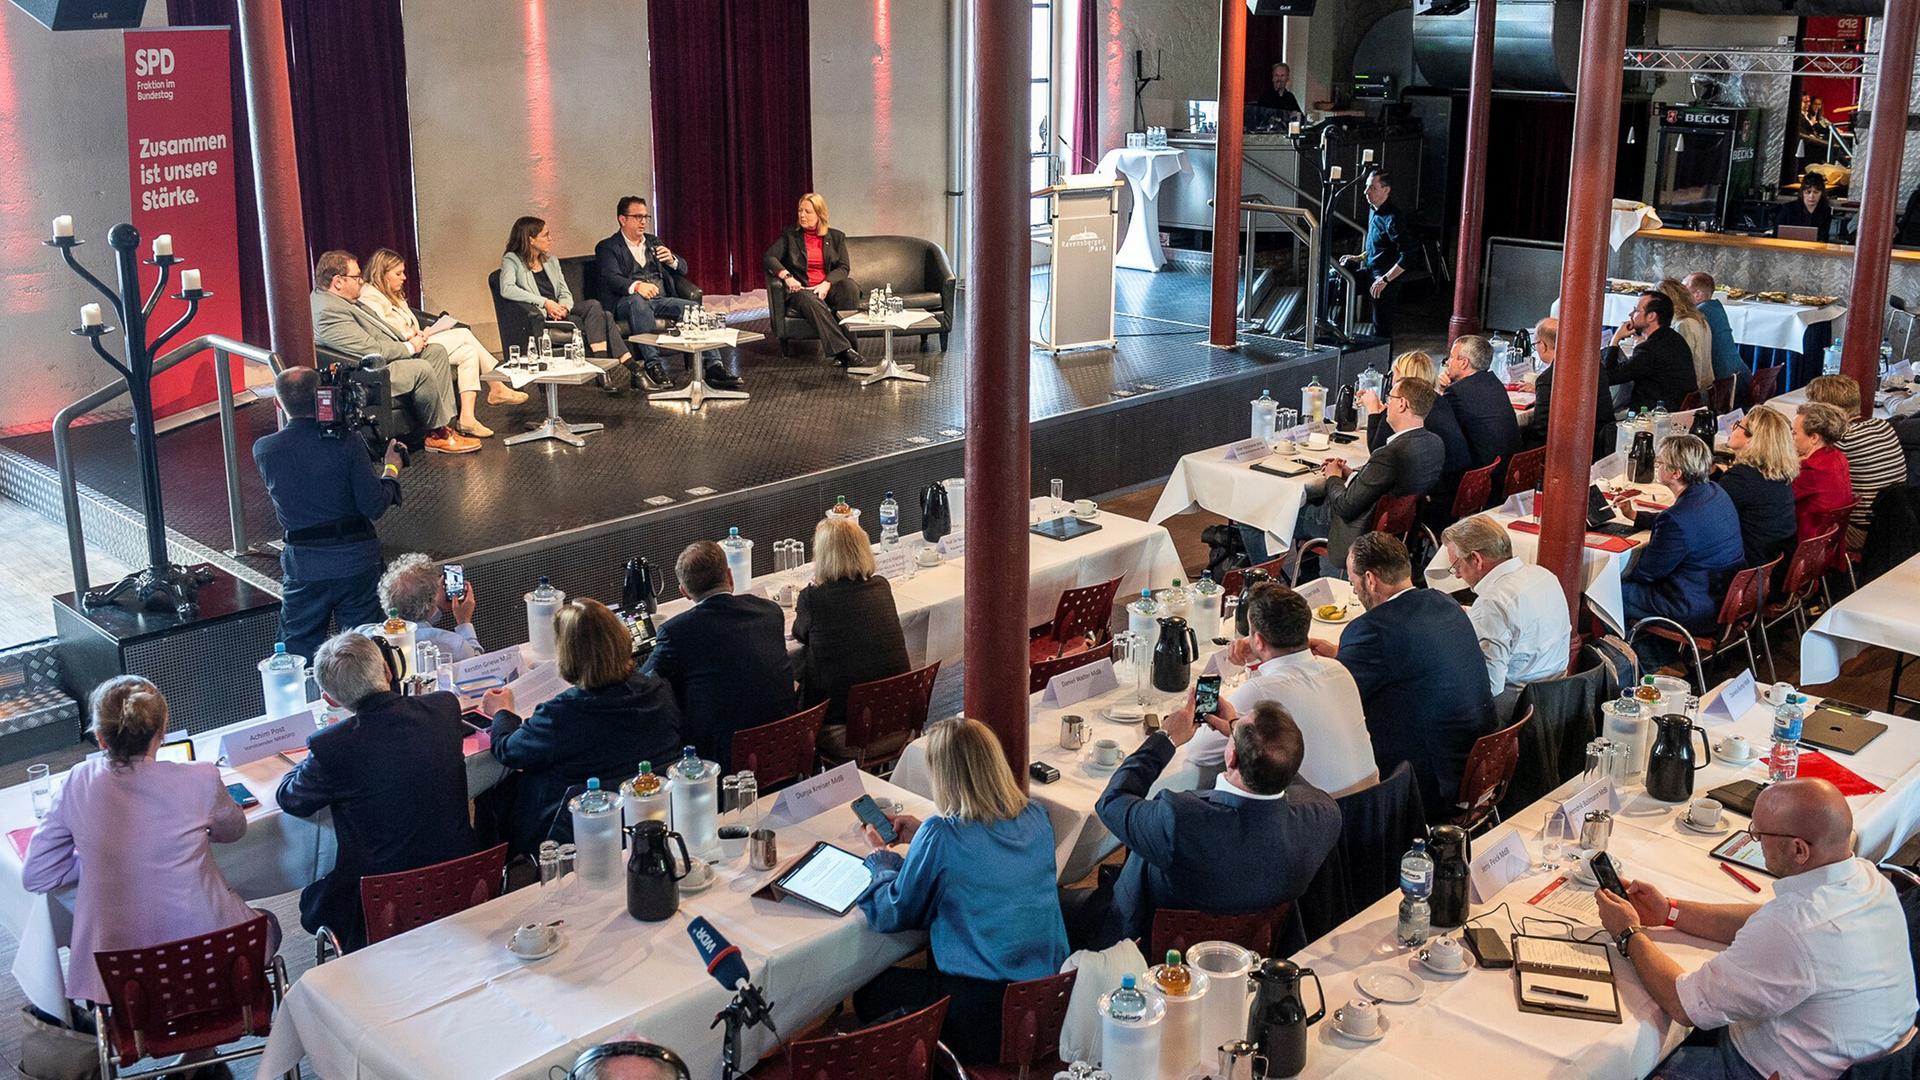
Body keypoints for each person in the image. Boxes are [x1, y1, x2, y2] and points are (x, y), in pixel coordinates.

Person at [1595, 779, 1917, 1080]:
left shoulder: (1793, 929)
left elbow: (1683, 1005)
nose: (1755, 842)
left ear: (1799, 850)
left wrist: (1628, 934)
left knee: (1621, 1063)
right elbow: (1763, 919)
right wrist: (1669, 911)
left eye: (1760, 835)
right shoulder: (1866, 878)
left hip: (1768, 1070)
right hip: (1885, 1063)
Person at [22, 677, 273, 1006]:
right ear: (163, 732)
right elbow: (234, 831)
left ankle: (197, 1049)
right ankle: (203, 1048)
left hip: (123, 977)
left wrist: (100, 854)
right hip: (213, 956)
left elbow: (37, 875)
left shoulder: (76, 782)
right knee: (267, 926)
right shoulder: (200, 777)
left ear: (100, 739)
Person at [853, 718, 1067, 1062]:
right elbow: (986, 857)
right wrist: (921, 836)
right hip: (1045, 1000)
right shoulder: (1037, 817)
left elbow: (894, 911)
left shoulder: (942, 835)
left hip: (979, 1015)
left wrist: (879, 861)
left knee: (866, 994)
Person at [1070, 696, 1339, 949]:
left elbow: (1112, 801)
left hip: (1144, 949)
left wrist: (1166, 738)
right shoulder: (1323, 819)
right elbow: (1283, 769)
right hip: (1250, 952)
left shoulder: (1179, 820)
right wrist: (1242, 735)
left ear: (1231, 757)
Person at [277, 632, 477, 952]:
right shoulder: (444, 708)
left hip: (380, 899)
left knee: (312, 901)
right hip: (461, 877)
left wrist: (309, 759)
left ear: (329, 699)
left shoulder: (331, 746)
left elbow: (291, 798)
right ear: (387, 671)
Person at [482, 598, 682, 856]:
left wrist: (502, 711)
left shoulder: (561, 714)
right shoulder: (659, 691)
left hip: (569, 828)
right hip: (647, 816)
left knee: (493, 795)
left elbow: (508, 751)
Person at [1317, 532, 1495, 817]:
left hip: (1426, 781)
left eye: (1353, 582)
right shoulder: (1445, 603)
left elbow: (1333, 701)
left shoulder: (1371, 629)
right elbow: (1407, 660)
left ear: (1370, 580)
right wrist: (1341, 656)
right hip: (1478, 761)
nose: (1354, 592)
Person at [253, 367, 408, 662]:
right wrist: (391, 470)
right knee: (365, 651)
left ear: (277, 402)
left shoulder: (264, 449)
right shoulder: (347, 443)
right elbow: (374, 505)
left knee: (297, 653)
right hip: (357, 564)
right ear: (324, 398)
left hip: (304, 567)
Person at [1196, 581, 1378, 797]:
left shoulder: (1260, 691)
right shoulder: (1337, 668)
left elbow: (1199, 752)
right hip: (1378, 804)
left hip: (1319, 816)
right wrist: (1258, 655)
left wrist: (1211, 686)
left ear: (1259, 640)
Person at [642, 541, 795, 769]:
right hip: (785, 746)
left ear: (684, 591)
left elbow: (644, 684)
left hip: (719, 760)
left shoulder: (676, 632)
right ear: (730, 577)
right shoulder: (770, 612)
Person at [309, 250, 474, 454]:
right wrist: (409, 347)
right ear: (338, 281)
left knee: (436, 352)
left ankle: (444, 426)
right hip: (369, 373)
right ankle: (438, 433)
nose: (361, 281)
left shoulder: (342, 300)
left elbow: (378, 331)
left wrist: (408, 338)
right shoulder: (328, 311)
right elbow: (368, 349)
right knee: (421, 368)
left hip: (382, 357)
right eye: (356, 277)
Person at [358, 248, 525, 439]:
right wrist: (412, 334)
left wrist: (422, 331)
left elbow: (407, 323)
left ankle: (467, 419)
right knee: (463, 334)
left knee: (469, 352)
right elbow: (386, 329)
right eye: (398, 273)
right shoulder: (370, 297)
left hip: (418, 341)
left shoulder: (394, 294)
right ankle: (496, 385)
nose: (404, 277)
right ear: (381, 274)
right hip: (405, 350)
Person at [1294, 377, 1446, 575]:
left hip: (1358, 530)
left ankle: (1280, 580)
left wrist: (1333, 477)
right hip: (1396, 528)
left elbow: (1346, 507)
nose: (1386, 404)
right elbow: (1384, 483)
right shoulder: (1435, 443)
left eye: (1390, 397)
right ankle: (1306, 577)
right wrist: (1352, 475)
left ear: (1402, 404)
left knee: (1280, 514)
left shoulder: (1389, 454)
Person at [794, 515, 912, 760]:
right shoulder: (881, 587)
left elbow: (799, 634)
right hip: (899, 724)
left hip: (848, 735)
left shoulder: (813, 598)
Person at [1621, 435, 1745, 641]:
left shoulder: (1676, 519)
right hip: (1725, 597)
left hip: (1691, 607)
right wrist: (1636, 516)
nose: (1657, 466)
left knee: (1611, 593)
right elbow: (1685, 523)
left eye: (1660, 463)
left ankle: (1632, 659)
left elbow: (1648, 573)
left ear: (1676, 473)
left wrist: (1617, 572)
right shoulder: (1716, 492)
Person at [1440, 515, 1571, 702]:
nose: (1458, 575)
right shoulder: (1543, 575)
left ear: (1476, 559)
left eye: (1457, 566)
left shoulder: (1492, 602)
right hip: (1559, 696)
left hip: (1516, 710)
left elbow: (1488, 686)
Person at [594, 196, 719, 391]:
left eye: (646, 217)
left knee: (693, 308)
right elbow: (611, 277)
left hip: (660, 299)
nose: (643, 221)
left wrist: (671, 259)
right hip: (626, 302)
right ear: (622, 219)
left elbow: (683, 269)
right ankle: (653, 365)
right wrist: (636, 286)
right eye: (637, 217)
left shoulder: (653, 242)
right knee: (638, 302)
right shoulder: (608, 247)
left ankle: (714, 366)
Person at [499, 215, 633, 385]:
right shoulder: (512, 260)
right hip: (542, 315)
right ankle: (627, 368)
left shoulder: (551, 261)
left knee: (594, 306)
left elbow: (564, 291)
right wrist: (545, 303)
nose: (550, 238)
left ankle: (603, 371)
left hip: (561, 311)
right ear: (531, 239)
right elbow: (507, 288)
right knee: (605, 316)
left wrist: (565, 308)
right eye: (546, 235)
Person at [1806, 374, 1910, 548]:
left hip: (1859, 531)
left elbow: (1793, 464)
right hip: (1894, 523)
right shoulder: (1883, 426)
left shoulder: (1842, 440)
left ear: (1822, 410)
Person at [764, 193, 864, 367]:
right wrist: (787, 277)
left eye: (807, 211)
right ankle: (844, 351)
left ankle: (851, 346)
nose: (802, 215)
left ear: (820, 214)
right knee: (811, 299)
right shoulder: (790, 236)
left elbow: (843, 267)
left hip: (826, 287)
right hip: (802, 291)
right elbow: (769, 257)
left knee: (849, 287)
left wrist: (827, 283)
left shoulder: (836, 237)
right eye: (800, 211)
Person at [1714, 407, 1799, 570]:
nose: (1733, 427)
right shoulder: (1780, 474)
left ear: (1751, 440)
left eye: (1739, 425)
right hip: (1775, 568)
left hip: (1745, 572)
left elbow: (1699, 515)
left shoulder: (1742, 478)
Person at [1524, 316, 1617, 460]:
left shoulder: (1548, 379)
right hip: (1601, 445)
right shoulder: (1595, 366)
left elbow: (1542, 431)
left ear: (1542, 345)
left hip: (1564, 455)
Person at [1363, 350, 1469, 476]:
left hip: (1433, 488)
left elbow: (1377, 454)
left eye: (1395, 374)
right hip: (1456, 480)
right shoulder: (1438, 399)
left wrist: (1373, 411)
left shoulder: (1409, 408)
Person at [1337, 170, 1410, 338]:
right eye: (1366, 187)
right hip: (1371, 271)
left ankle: (1383, 361)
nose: (1366, 192)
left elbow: (1407, 256)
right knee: (1337, 285)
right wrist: (1360, 257)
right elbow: (1378, 245)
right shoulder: (1373, 209)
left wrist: (1385, 280)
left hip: (1386, 278)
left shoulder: (1393, 218)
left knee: (1381, 325)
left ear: (1386, 190)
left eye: (1372, 188)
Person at [377, 552, 482, 663]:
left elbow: (417, 626)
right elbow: (477, 664)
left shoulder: (368, 636)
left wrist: (438, 609)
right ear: (432, 602)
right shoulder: (455, 644)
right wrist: (464, 622)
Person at [1605, 290, 1698, 413]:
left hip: (1657, 416)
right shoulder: (1674, 338)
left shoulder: (1650, 349)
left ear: (1651, 316)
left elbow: (1610, 377)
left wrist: (1615, 340)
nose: (1630, 314)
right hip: (1679, 409)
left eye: (1636, 310)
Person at [1440, 335, 1521, 474]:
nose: (1447, 362)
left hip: (1483, 476)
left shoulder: (1456, 392)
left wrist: (1441, 391)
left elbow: (1443, 430)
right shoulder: (1494, 382)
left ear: (1464, 363)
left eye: (1451, 357)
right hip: (1512, 469)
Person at [1791, 402, 1857, 547]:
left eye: (1794, 433)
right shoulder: (1838, 457)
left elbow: (1782, 498)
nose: (1791, 437)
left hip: (1805, 543)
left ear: (1814, 437)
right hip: (1830, 544)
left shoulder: (1811, 469)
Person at [1684, 272, 1744, 386]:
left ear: (1698, 294)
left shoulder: (1700, 313)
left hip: (1726, 384)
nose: (1680, 294)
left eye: (1684, 290)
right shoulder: (1714, 306)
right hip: (1739, 374)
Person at [1659, 278, 1715, 394]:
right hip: (1705, 387)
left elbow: (1683, 365)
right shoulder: (1699, 318)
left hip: (1692, 394)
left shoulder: (1684, 324)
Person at [1777, 173, 1834, 242]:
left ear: (1822, 193)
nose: (1811, 196)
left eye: (1816, 192)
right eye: (1808, 192)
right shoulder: (1787, 209)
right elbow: (1776, 233)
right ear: (1802, 192)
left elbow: (1824, 238)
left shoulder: (1825, 211)